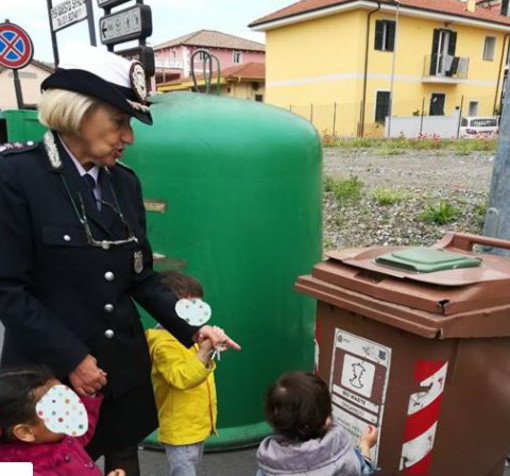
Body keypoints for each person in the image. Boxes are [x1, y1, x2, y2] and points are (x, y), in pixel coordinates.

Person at [0, 45, 240, 475]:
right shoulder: (15, 176)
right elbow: (7, 289)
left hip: (120, 368)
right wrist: (73, 357)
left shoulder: (123, 184)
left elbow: (141, 277)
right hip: (46, 374)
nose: (128, 137)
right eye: (120, 121)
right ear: (78, 112)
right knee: (44, 467)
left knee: (124, 458)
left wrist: (192, 325)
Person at [146, 270, 218, 476]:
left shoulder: (190, 335)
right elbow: (182, 377)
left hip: (196, 424)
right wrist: (205, 351)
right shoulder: (163, 344)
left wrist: (211, 348)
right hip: (180, 430)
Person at [0, 365, 125, 476]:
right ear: (25, 432)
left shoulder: (55, 435)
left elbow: (81, 432)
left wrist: (88, 394)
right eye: (58, 409)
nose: (72, 411)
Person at [256, 371, 378, 476]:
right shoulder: (339, 449)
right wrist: (365, 444)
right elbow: (362, 470)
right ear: (326, 420)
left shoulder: (269, 460)